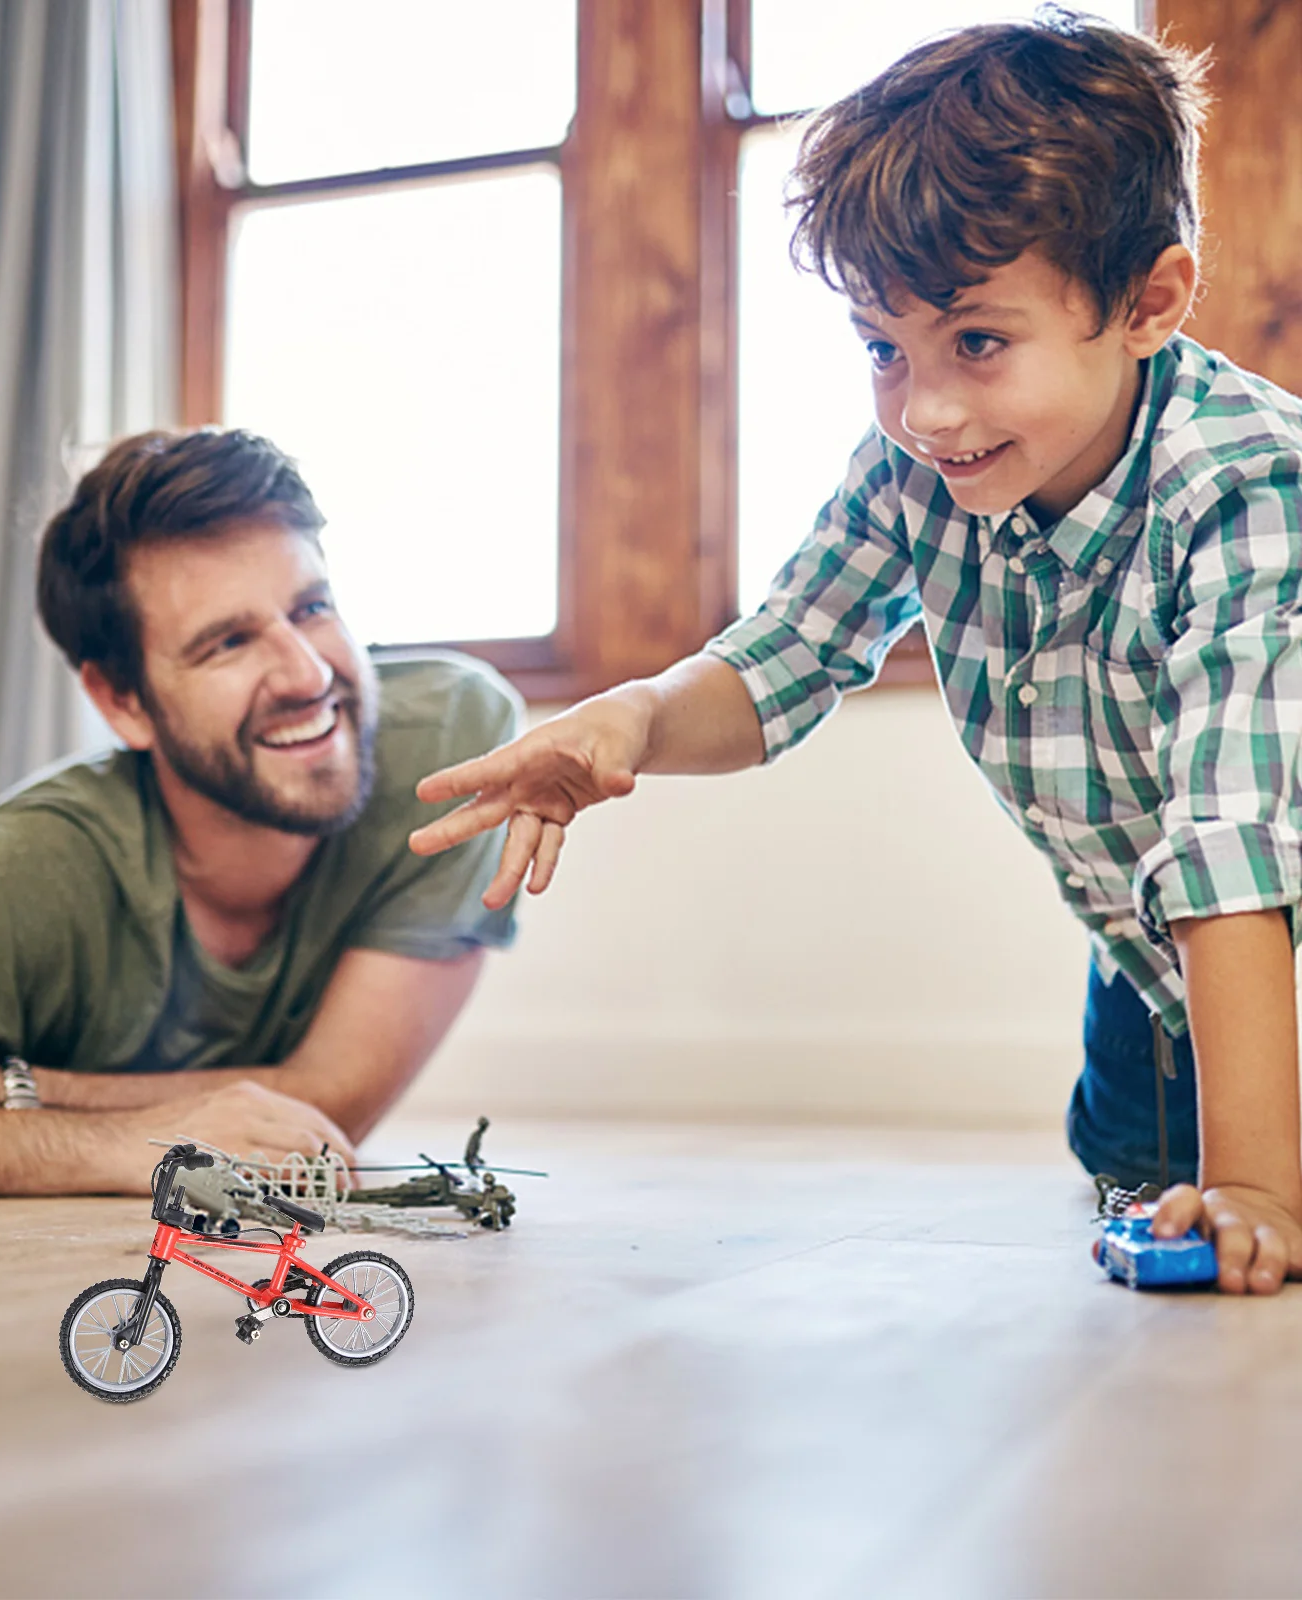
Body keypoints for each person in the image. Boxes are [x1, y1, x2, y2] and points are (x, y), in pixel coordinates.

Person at [410, 13, 1302, 1295]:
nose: (925, 409)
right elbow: (785, 656)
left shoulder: (1242, 485)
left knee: (1252, 1211)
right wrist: (637, 721)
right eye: (883, 349)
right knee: (1126, 1174)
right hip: (1156, 970)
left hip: (1257, 916)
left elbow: (1230, 844)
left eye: (977, 343)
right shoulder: (919, 472)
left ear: (1146, 302)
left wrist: (1256, 1187)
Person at [0, 429, 518, 1198]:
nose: (307, 674)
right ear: (121, 700)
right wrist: (106, 1144)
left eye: (311, 607)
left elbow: (329, 1105)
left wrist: (21, 1093)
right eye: (228, 643)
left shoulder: (450, 749)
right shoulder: (41, 870)